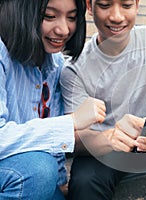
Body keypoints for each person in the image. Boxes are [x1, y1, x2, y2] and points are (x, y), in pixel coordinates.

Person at [60, 0, 146, 199]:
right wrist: (110, 138)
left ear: (137, 5)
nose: (117, 16)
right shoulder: (74, 68)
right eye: (104, 5)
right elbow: (74, 137)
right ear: (90, 7)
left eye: (126, 5)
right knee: (84, 182)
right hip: (104, 147)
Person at [0, 0, 106, 199]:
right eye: (49, 16)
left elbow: (49, 139)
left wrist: (59, 179)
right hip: (24, 170)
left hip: (29, 170)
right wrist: (72, 121)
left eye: (72, 18)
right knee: (39, 171)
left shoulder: (55, 63)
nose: (64, 29)